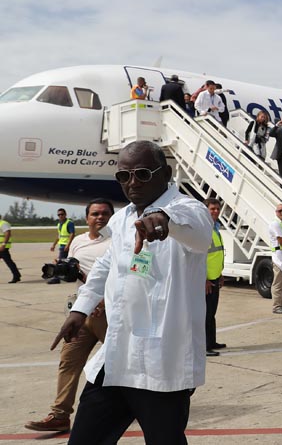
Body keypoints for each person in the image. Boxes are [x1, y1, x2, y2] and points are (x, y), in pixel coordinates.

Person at [51, 140, 213, 444]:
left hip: (160, 364)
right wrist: (80, 309)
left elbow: (200, 236)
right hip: (115, 358)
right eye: (124, 176)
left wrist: (165, 221)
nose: (132, 183)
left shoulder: (188, 209)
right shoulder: (123, 218)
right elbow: (105, 265)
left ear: (165, 173)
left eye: (141, 173)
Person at [24, 199, 114, 432]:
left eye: (105, 213)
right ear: (87, 218)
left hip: (112, 313)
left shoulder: (118, 240)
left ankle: (137, 406)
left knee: (121, 362)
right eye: (95, 214)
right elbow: (80, 276)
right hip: (83, 314)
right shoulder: (78, 242)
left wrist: (104, 300)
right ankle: (60, 415)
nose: (100, 217)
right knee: (69, 361)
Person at [204, 198, 225, 357]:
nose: (216, 211)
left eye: (218, 209)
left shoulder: (215, 228)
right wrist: (204, 279)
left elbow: (217, 253)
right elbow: (199, 256)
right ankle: (204, 346)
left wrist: (221, 273)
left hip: (215, 277)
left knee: (212, 313)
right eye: (212, 209)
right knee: (205, 314)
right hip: (207, 280)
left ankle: (212, 341)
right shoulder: (204, 229)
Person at [48, 208, 75, 284]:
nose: (60, 216)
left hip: (66, 245)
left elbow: (72, 234)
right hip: (61, 245)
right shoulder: (59, 224)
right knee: (67, 262)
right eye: (59, 215)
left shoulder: (69, 223)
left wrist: (68, 245)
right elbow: (59, 236)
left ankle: (56, 278)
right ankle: (69, 276)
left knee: (59, 262)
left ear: (65, 214)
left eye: (62, 214)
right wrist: (54, 245)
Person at [0, 214, 21, 283]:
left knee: (9, 262)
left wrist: (3, 244)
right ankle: (17, 275)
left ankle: (16, 276)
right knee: (9, 262)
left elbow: (7, 233)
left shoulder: (3, 223)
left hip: (3, 247)